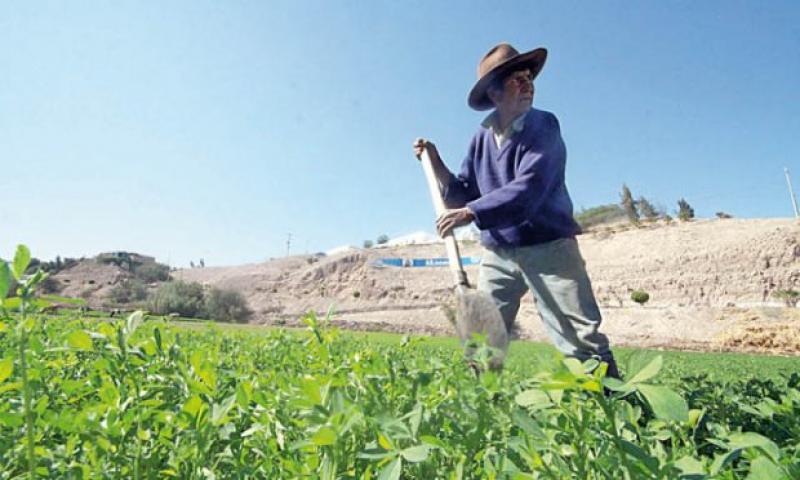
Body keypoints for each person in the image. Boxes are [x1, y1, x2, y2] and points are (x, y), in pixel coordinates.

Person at [413, 42, 620, 378]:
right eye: (516, 79)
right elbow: (461, 195)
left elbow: (530, 189)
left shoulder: (544, 126)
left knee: (580, 339)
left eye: (529, 77)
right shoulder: (482, 138)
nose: (528, 84)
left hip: (549, 247)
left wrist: (470, 213)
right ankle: (484, 411)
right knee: (482, 342)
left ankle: (622, 415)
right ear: (494, 94)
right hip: (498, 252)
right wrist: (435, 161)